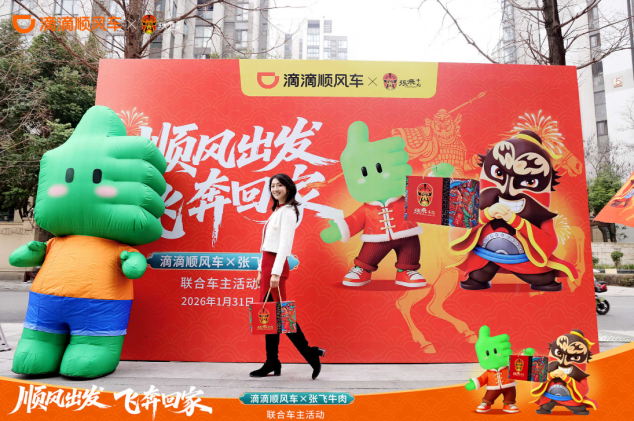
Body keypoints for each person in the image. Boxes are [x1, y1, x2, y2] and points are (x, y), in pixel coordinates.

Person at [250, 173, 326, 380]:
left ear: (289, 188)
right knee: (271, 316)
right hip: (268, 266)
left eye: (279, 185)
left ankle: (309, 353)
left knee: (282, 316)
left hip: (275, 267)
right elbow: (266, 244)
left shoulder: (289, 211)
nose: (275, 189)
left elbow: (284, 245)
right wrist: (260, 270)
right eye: (272, 186)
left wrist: (274, 272)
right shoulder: (278, 210)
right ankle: (272, 361)